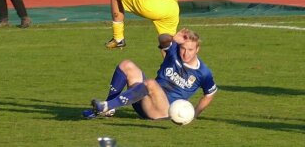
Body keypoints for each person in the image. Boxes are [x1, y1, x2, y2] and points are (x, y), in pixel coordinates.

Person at [83, 28, 217, 120]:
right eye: (183, 48)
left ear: (197, 49)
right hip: (144, 99)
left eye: (190, 50)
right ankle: (109, 107)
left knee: (151, 83)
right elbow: (162, 39)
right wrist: (173, 38)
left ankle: (106, 106)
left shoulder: (203, 73)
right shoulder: (174, 51)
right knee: (126, 65)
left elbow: (209, 94)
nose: (185, 53)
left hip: (162, 111)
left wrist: (194, 114)